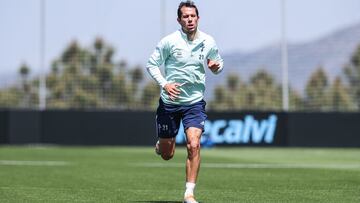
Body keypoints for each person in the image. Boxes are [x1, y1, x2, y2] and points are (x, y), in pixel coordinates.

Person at [146, 1, 223, 203]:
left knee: (194, 144)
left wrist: (216, 66)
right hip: (169, 103)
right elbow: (151, 65)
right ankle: (162, 145)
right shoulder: (169, 41)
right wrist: (165, 84)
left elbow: (218, 63)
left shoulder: (208, 41)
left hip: (195, 103)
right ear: (179, 19)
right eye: (185, 16)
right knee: (167, 154)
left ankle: (189, 194)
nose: (189, 20)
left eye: (193, 16)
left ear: (198, 18)